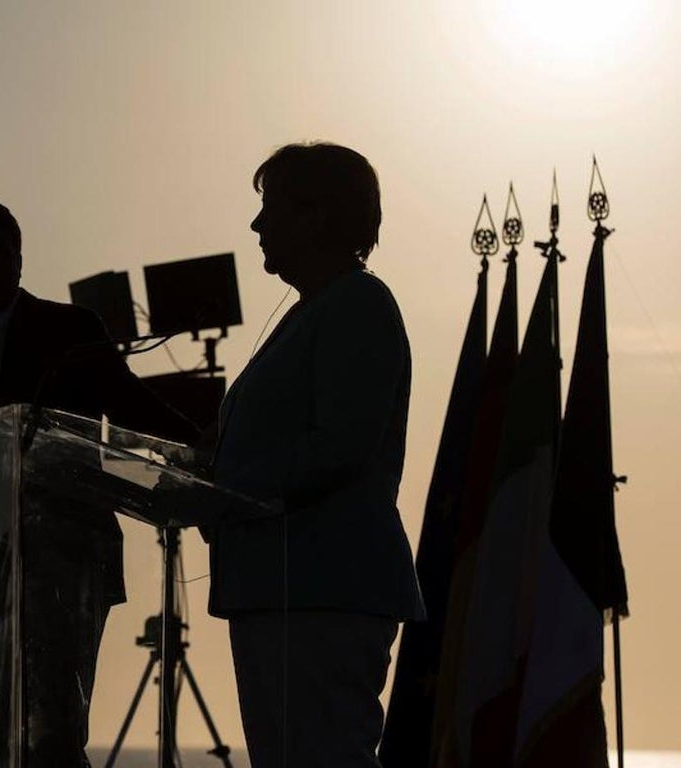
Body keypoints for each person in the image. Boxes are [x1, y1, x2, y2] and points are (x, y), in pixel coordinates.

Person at [0, 201, 199, 767]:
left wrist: (200, 443)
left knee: (53, 737)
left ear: (20, 259)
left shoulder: (69, 329)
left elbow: (127, 403)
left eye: (0, 253)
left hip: (65, 556)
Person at [207, 144, 426, 767]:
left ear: (317, 216)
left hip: (324, 587)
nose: (257, 225)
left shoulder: (358, 305)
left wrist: (224, 489)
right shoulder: (312, 312)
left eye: (270, 208)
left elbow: (340, 447)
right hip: (277, 588)